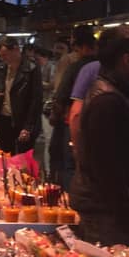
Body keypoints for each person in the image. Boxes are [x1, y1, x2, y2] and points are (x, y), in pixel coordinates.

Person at [70, 27, 129, 246]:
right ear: (126, 59)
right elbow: (105, 167)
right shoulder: (108, 101)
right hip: (104, 210)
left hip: (103, 205)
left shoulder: (108, 92)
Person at [49, 26, 96, 187]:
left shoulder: (76, 65)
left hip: (72, 119)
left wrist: (55, 114)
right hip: (96, 122)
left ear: (81, 46)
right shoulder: (104, 65)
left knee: (68, 162)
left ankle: (67, 195)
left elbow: (61, 93)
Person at [0, 37, 43, 154]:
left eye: (5, 55)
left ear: (16, 49)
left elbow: (36, 99)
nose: (3, 58)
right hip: (3, 119)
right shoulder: (2, 67)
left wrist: (28, 126)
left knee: (23, 157)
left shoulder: (31, 68)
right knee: (6, 155)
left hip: (22, 118)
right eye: (1, 55)